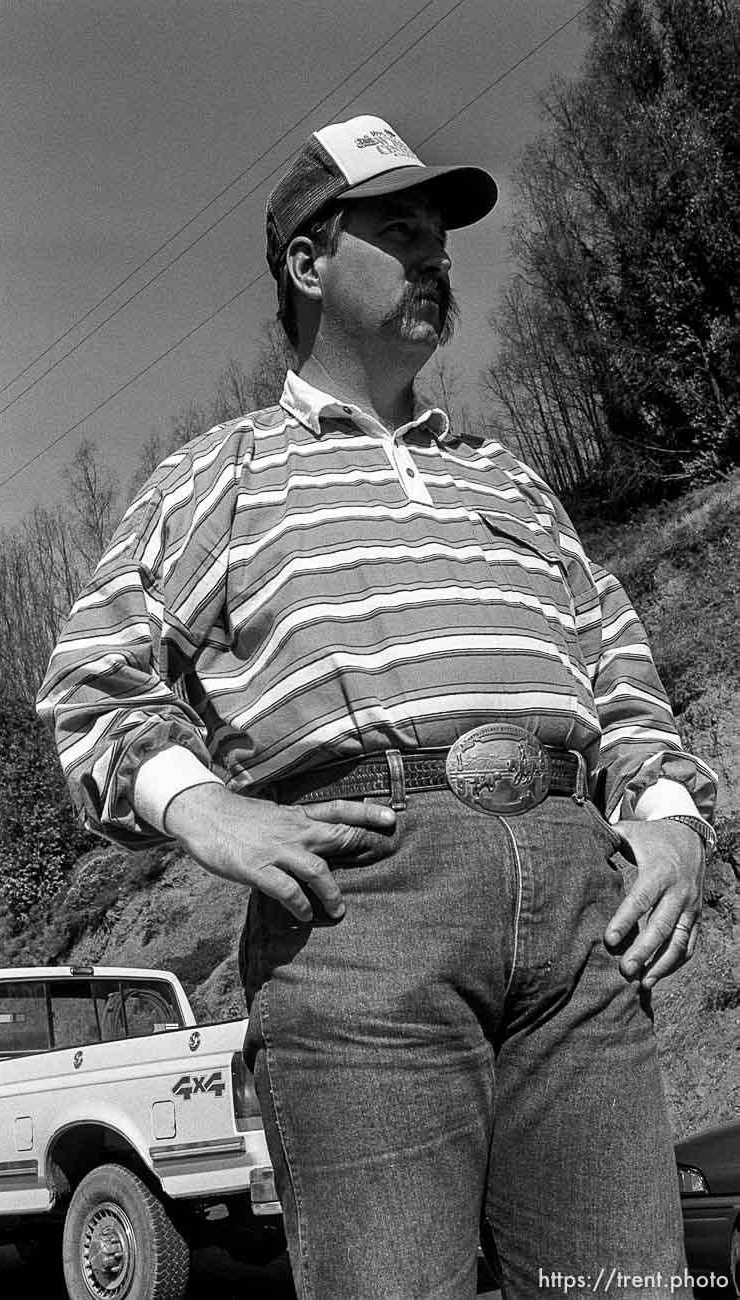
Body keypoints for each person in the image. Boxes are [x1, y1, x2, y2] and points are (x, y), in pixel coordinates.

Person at [37, 115, 718, 1299]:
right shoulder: (222, 474)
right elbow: (93, 677)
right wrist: (204, 811)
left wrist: (664, 810)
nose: (433, 256)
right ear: (307, 265)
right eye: (397, 230)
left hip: (580, 926)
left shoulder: (505, 475)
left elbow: (613, 654)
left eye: (441, 237)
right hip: (364, 921)